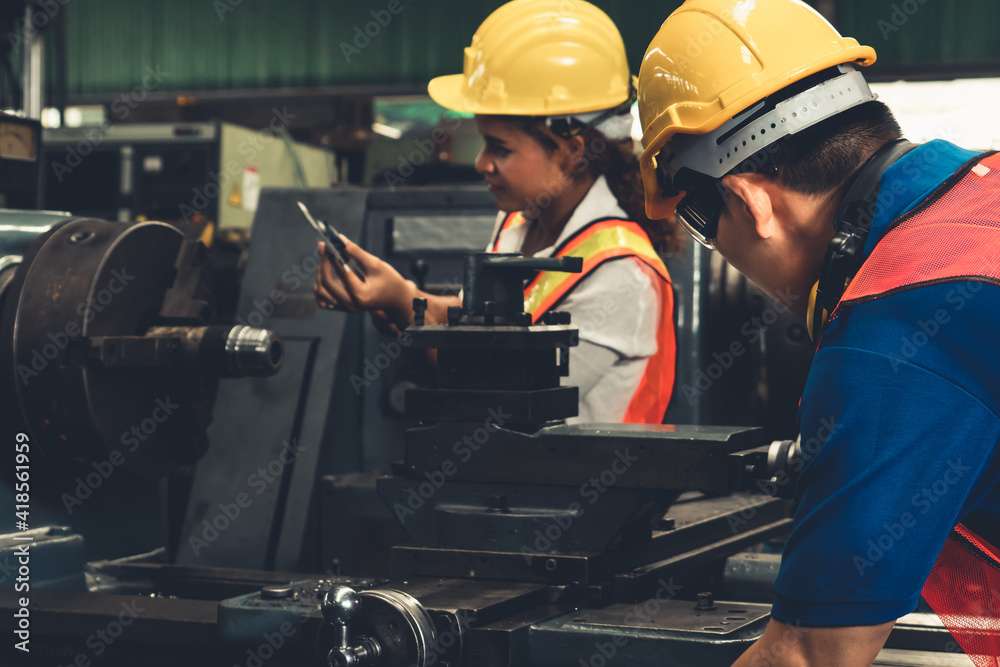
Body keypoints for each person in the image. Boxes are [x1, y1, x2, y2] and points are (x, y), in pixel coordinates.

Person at [637, 0, 1000, 665]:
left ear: (749, 200)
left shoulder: (895, 320)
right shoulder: (985, 190)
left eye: (700, 224)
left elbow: (808, 655)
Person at [316, 0, 679, 424]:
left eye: (500, 148)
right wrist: (404, 297)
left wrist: (401, 303)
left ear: (570, 152)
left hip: (589, 486)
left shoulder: (624, 273)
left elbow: (507, 398)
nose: (481, 162)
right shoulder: (520, 222)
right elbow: (482, 328)